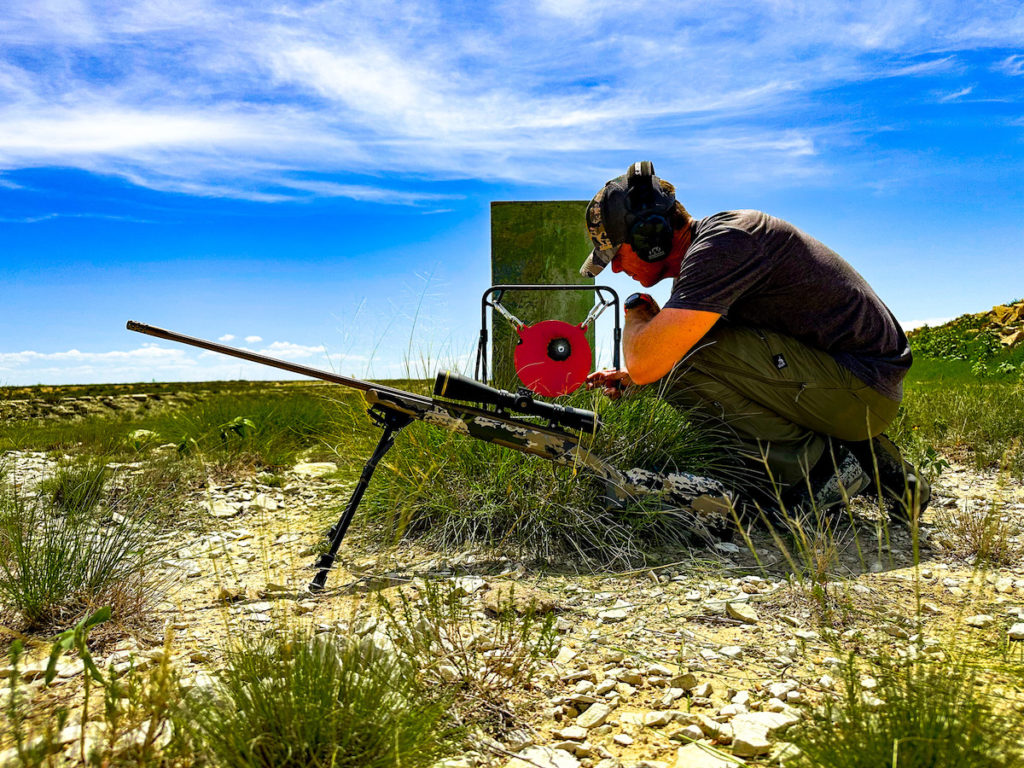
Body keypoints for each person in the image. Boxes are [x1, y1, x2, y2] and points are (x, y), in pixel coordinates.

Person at [581, 161, 928, 520]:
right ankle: (880, 469)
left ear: (649, 236)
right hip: (857, 387)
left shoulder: (725, 243)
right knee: (677, 355)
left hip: (860, 389)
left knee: (684, 355)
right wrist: (632, 379)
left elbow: (651, 360)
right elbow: (669, 367)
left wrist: (637, 310)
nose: (617, 271)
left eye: (615, 256)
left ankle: (815, 476)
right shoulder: (711, 254)